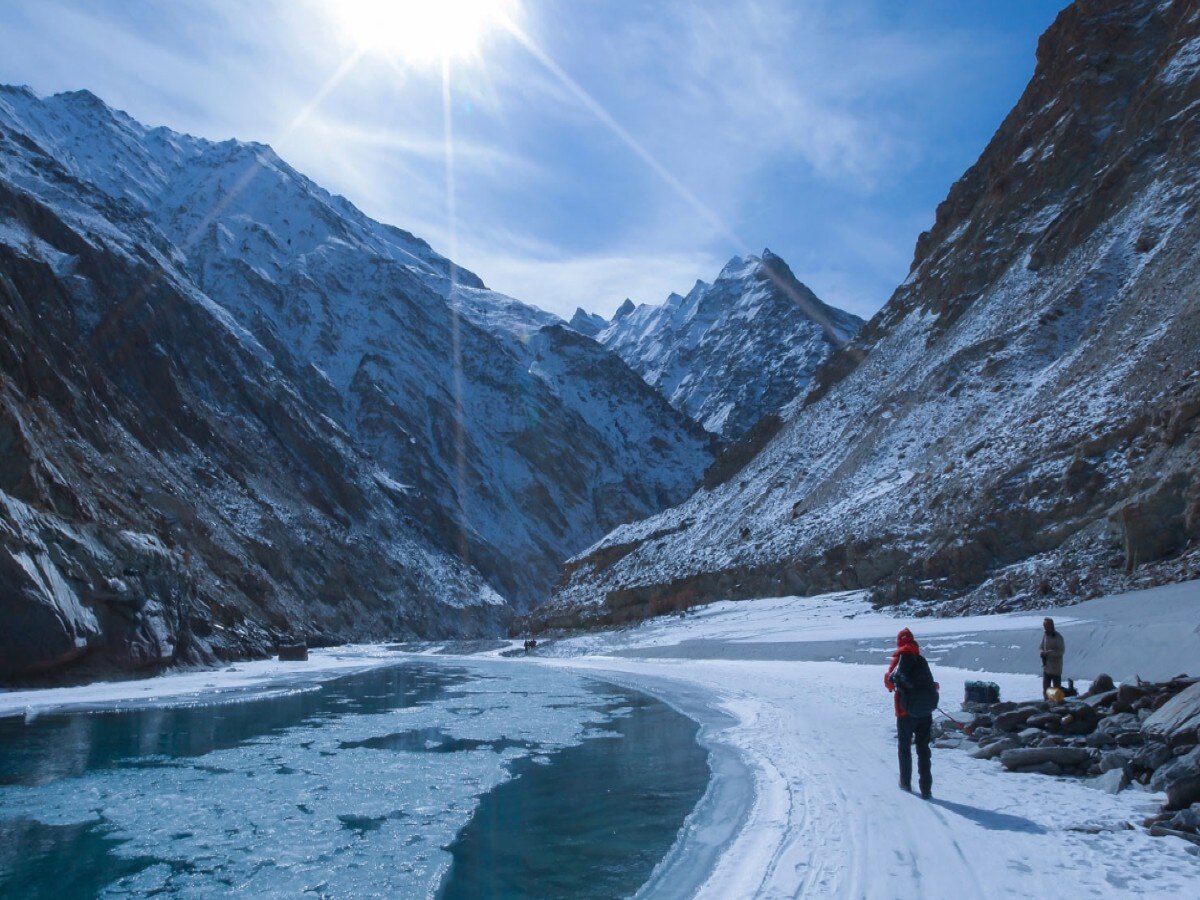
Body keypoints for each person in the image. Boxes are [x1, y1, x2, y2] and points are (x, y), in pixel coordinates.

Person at [884, 628, 939, 799]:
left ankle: (905, 782)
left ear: (899, 641)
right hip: (925, 711)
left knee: (904, 748)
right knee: (923, 749)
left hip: (904, 712)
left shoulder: (899, 659)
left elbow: (890, 684)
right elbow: (931, 683)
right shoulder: (921, 659)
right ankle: (926, 788)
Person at [1040, 617, 1066, 697]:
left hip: (1056, 668)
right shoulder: (1045, 636)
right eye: (1044, 626)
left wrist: (1050, 653)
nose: (1045, 628)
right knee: (1046, 689)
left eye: (1047, 626)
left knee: (1056, 689)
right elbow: (1041, 646)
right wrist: (1042, 652)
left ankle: (1056, 705)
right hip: (1047, 667)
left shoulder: (1058, 637)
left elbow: (1061, 651)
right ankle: (1046, 702)